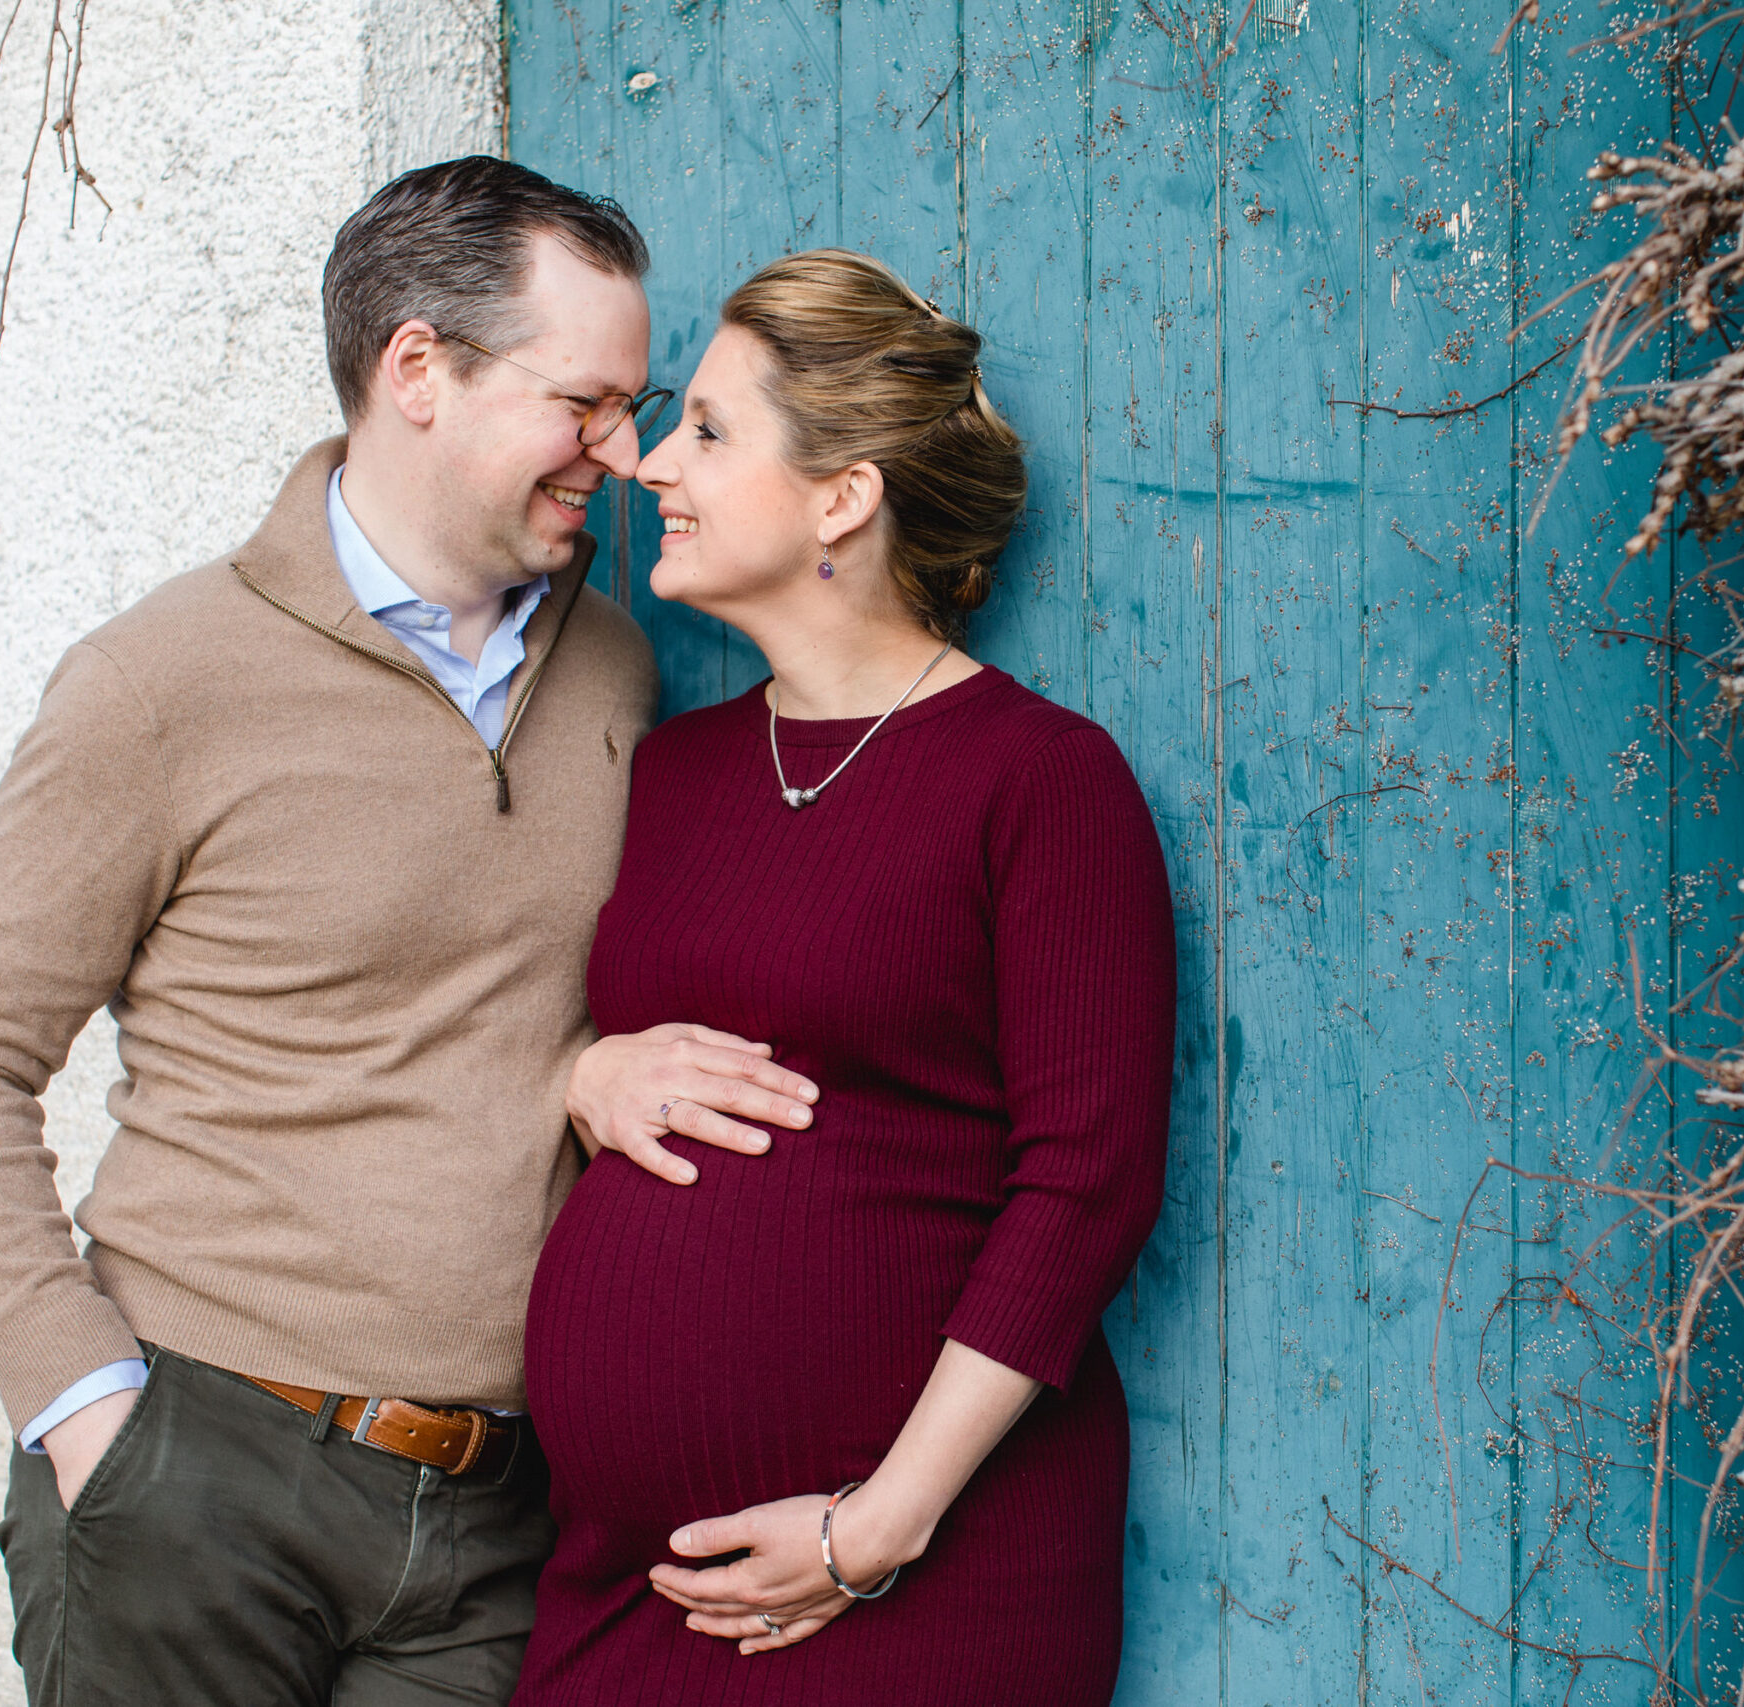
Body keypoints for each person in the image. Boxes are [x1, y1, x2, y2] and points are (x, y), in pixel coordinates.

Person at [0, 156, 818, 1707]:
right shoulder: (162, 683)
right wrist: (88, 1409)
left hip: (501, 1513)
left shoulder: (611, 665)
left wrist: (585, 1070)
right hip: (199, 1475)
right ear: (418, 371)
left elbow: (500, 1005)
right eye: (583, 404)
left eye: (635, 407)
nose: (622, 454)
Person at [514, 250, 1177, 1707]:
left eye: (706, 431)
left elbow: (1090, 1182)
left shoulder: (1038, 780)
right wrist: (583, 1073)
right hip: (627, 1585)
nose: (649, 467)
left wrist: (877, 1525)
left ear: (842, 499)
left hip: (914, 1580)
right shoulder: (678, 770)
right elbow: (546, 1025)